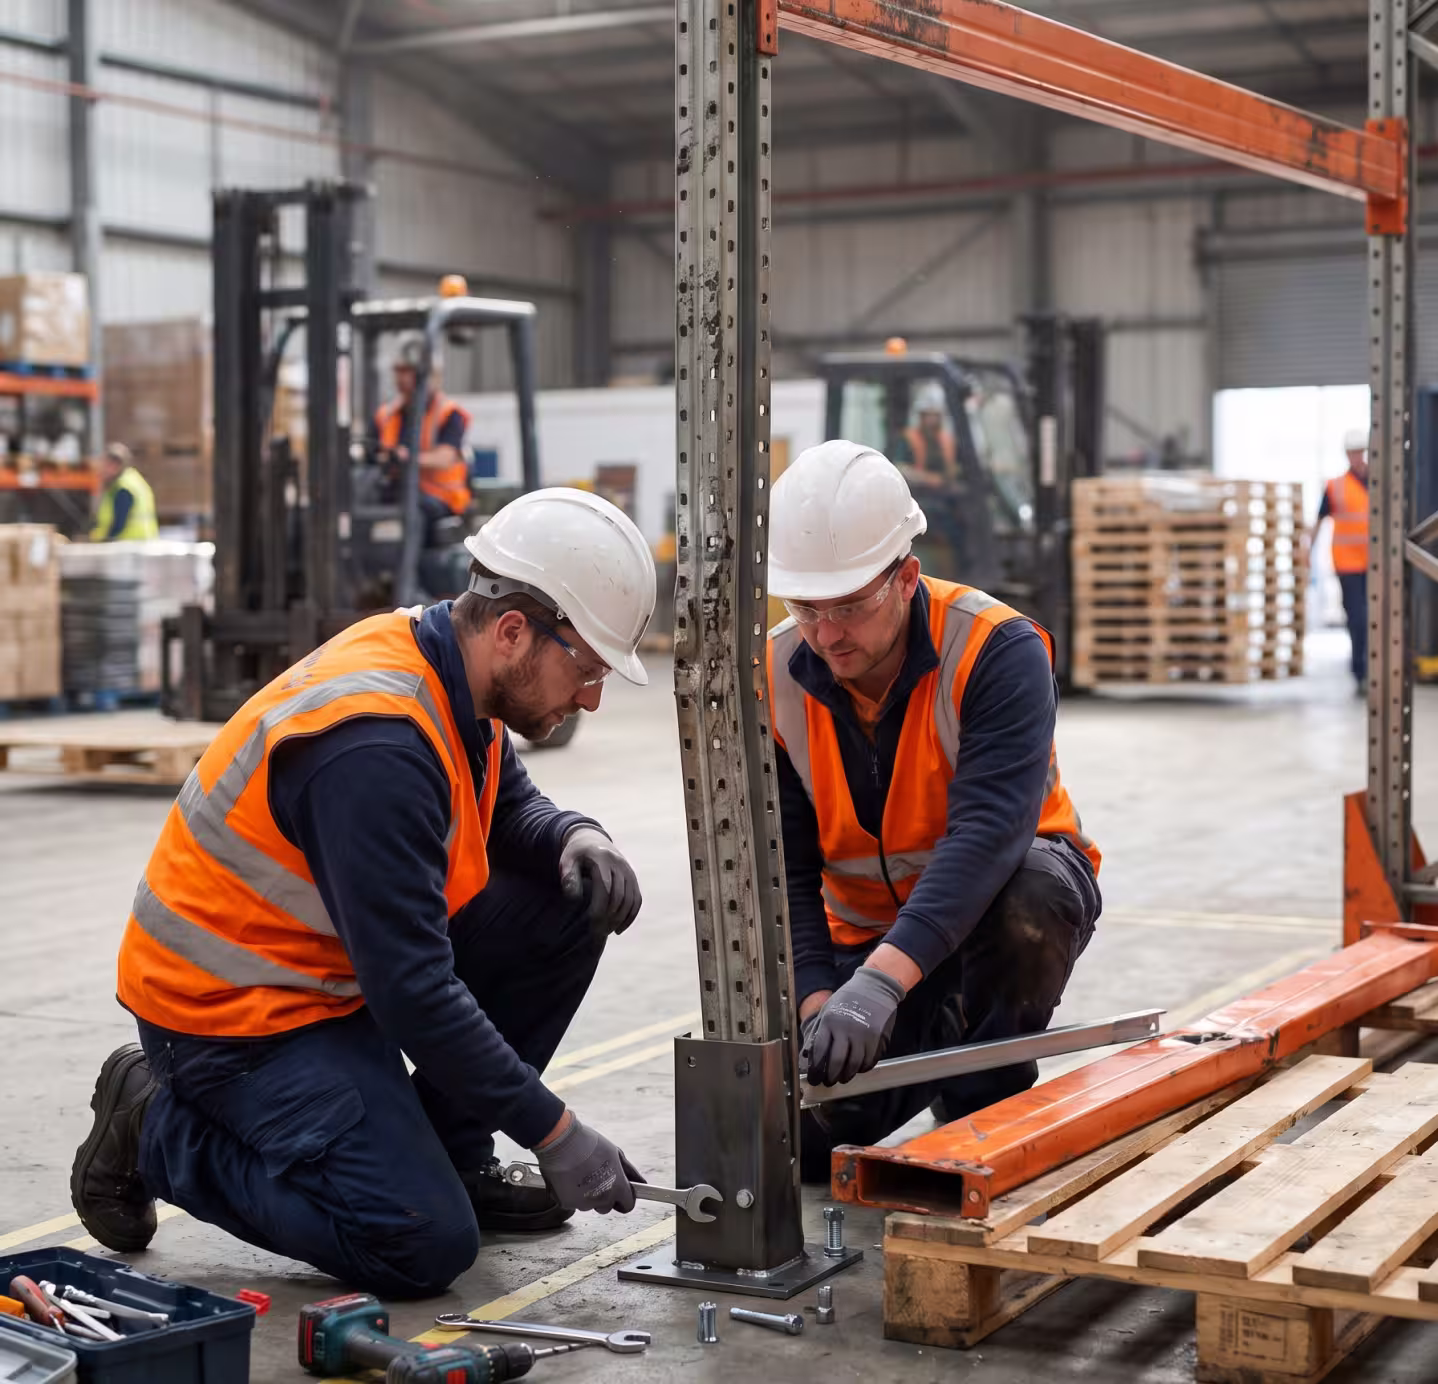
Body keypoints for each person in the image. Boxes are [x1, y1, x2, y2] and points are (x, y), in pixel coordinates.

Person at [71, 488, 657, 1298]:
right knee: (418, 1244)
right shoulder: (374, 747)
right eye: (586, 669)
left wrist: (570, 835)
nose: (589, 696)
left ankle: (451, 1157)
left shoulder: (457, 665)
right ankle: (153, 1127)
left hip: (322, 978)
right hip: (233, 1018)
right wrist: (557, 1134)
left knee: (564, 904)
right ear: (515, 629)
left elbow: (504, 799)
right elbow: (416, 992)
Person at [765, 441, 1102, 1179]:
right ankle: (934, 1039)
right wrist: (822, 999)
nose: (825, 635)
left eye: (849, 607)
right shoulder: (775, 673)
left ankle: (984, 1093)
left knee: (1032, 898)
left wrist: (884, 983)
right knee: (810, 1146)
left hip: (997, 907)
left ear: (905, 576)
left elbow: (988, 835)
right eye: (805, 609)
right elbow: (782, 865)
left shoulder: (995, 648)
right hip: (864, 937)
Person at [371, 335, 473, 535]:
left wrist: (408, 458)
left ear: (427, 374)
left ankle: (406, 566)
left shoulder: (448, 413)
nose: (401, 378)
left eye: (406, 372)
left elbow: (445, 458)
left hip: (441, 497)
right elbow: (373, 451)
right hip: (399, 491)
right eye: (398, 371)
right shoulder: (386, 414)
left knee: (411, 512)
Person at [1316, 428, 1370, 692]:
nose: (1357, 457)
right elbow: (1319, 520)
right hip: (1348, 564)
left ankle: (1376, 671)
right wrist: (1306, 552)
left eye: (1360, 452)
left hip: (1377, 564)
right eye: (1353, 452)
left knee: (1378, 619)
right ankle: (1360, 673)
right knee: (1358, 619)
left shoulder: (1382, 482)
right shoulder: (1335, 486)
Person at [90, 443, 159, 543]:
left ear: (114, 465)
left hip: (130, 546)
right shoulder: (133, 480)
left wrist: (103, 542)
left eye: (104, 464)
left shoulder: (123, 487)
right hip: (141, 544)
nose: (101, 469)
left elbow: (119, 523)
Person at [892, 381, 957, 484]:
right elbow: (899, 468)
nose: (932, 421)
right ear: (921, 417)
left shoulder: (948, 440)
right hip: (917, 494)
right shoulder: (908, 439)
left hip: (946, 497)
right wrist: (927, 478)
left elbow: (955, 469)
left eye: (936, 415)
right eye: (928, 415)